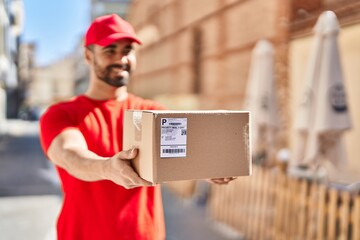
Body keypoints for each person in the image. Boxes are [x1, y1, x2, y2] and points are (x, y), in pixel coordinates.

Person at [39, 14, 234, 240]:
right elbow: (70, 155)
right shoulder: (62, 114)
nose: (121, 58)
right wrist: (108, 168)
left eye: (127, 50)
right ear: (87, 56)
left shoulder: (153, 113)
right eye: (110, 50)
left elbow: (190, 151)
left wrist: (208, 167)